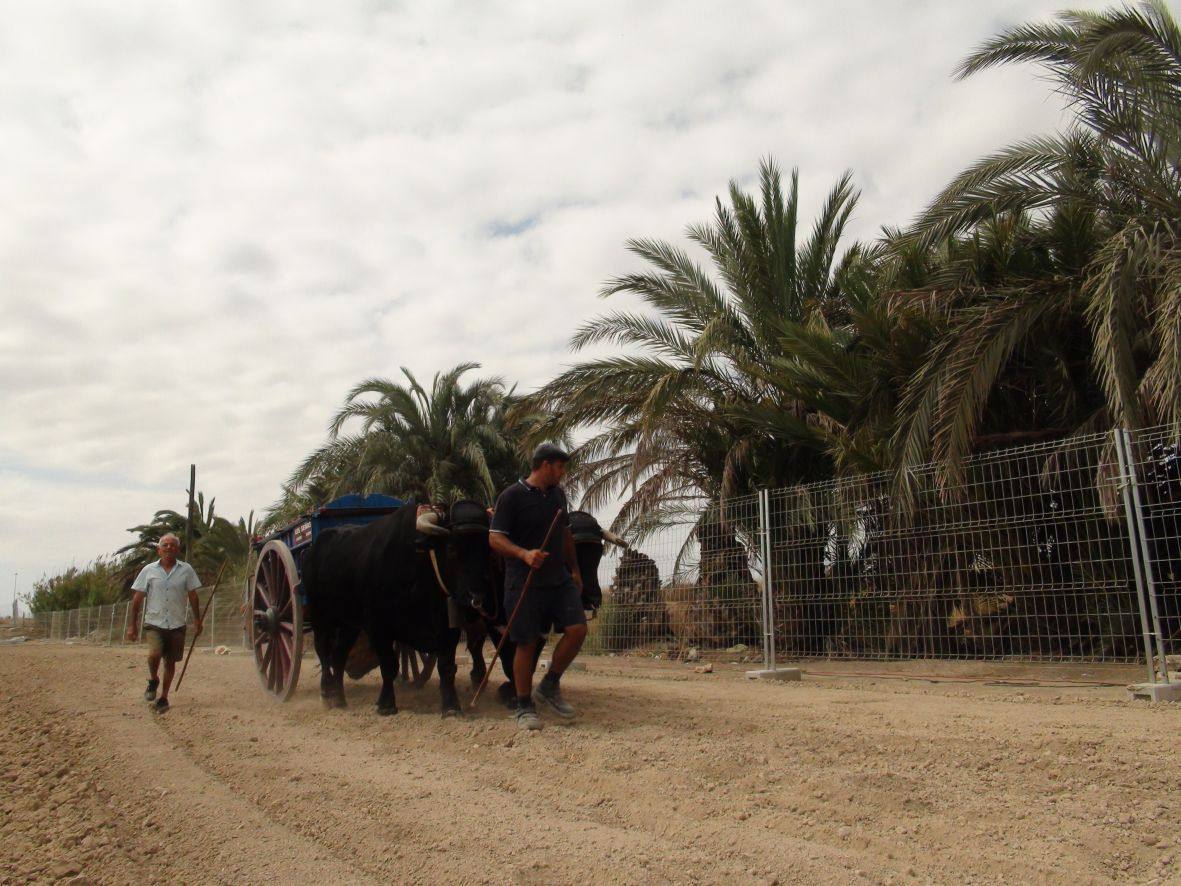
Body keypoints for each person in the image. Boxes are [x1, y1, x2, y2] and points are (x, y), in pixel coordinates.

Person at [489, 443, 587, 731]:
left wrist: (575, 569)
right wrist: (524, 554)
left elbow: (565, 533)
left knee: (578, 629)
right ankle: (523, 705)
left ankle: (549, 685)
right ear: (545, 465)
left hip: (558, 579)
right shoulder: (512, 496)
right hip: (524, 582)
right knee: (527, 642)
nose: (563, 471)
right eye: (560, 466)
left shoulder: (557, 495)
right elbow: (494, 538)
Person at [124, 534, 203, 713]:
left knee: (170, 662)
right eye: (165, 545)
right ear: (159, 550)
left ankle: (164, 697)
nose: (169, 548)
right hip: (154, 623)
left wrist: (197, 620)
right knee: (154, 654)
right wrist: (132, 625)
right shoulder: (148, 570)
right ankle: (153, 680)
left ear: (178, 550)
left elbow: (193, 596)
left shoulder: (187, 570)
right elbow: (137, 599)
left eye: (173, 545)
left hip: (176, 624)